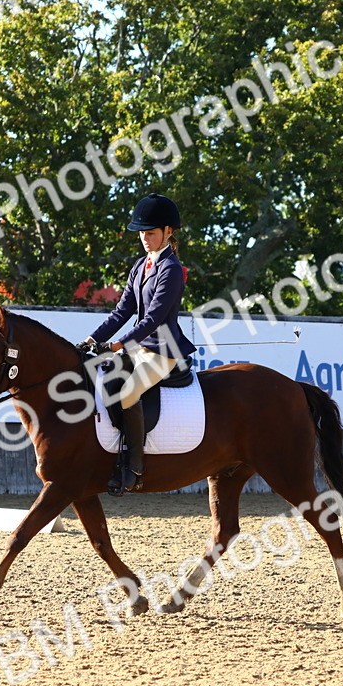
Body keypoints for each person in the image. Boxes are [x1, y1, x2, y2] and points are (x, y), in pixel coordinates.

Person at [80, 193, 196, 494]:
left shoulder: (171, 269)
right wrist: (94, 338)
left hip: (162, 350)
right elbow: (123, 311)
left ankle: (134, 466)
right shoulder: (141, 265)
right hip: (139, 348)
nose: (145, 238)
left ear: (168, 232)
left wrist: (119, 345)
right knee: (102, 377)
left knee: (130, 392)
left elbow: (154, 318)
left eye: (151, 233)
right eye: (142, 233)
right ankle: (116, 448)